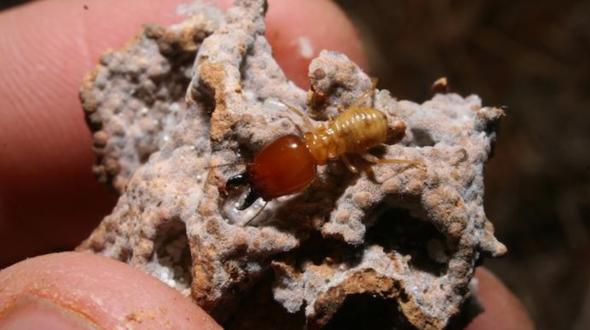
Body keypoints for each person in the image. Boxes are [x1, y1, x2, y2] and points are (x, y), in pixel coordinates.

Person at [0, 0, 533, 328]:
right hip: (341, 136)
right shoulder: (311, 148)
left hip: (352, 133)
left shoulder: (340, 157)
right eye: (268, 180)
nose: (263, 180)